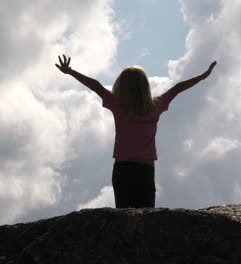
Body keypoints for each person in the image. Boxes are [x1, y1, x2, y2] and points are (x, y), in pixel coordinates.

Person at [55, 54, 217, 208]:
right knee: (146, 219)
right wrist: (202, 76)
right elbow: (177, 89)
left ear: (121, 85)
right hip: (145, 170)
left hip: (122, 169)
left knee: (123, 218)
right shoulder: (155, 106)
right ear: (145, 85)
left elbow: (96, 85)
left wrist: (71, 72)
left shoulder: (118, 104)